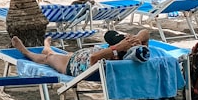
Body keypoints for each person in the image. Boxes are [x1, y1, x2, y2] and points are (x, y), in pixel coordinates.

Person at [9, 28, 151, 77]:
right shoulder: (140, 51)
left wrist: (118, 47)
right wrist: (136, 38)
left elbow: (93, 59)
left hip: (72, 66)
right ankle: (46, 45)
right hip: (81, 55)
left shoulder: (115, 57)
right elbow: (146, 33)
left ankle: (25, 51)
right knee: (61, 54)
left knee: (48, 58)